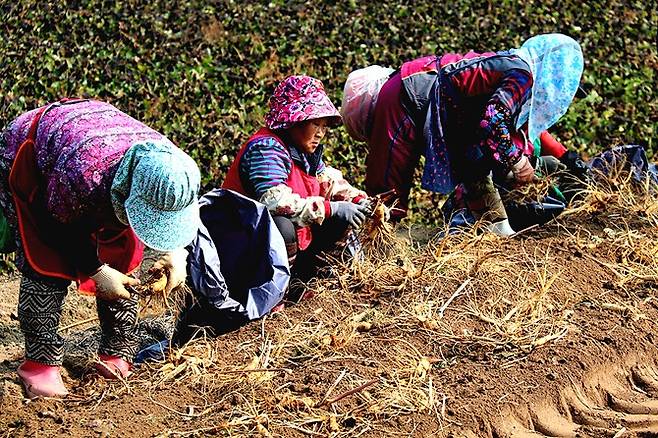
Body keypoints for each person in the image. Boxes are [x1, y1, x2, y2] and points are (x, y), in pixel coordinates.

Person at [0, 99, 201, 397]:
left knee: (124, 260)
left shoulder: (173, 169)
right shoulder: (82, 175)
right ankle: (39, 364)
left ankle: (116, 352)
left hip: (98, 155)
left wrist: (178, 252)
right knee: (46, 264)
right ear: (128, 195)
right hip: (33, 153)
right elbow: (56, 226)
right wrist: (96, 270)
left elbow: (180, 212)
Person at [341, 33, 584, 235]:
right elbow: (493, 120)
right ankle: (378, 242)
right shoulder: (521, 74)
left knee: (477, 167)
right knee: (389, 185)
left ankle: (497, 230)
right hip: (405, 96)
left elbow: (490, 130)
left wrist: (516, 160)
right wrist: (517, 161)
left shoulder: (517, 72)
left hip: (451, 116)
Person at [222, 75, 369, 298]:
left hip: (282, 244)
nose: (320, 133)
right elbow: (275, 203)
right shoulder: (266, 149)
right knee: (282, 225)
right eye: (314, 124)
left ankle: (307, 285)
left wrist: (357, 199)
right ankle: (274, 295)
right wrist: (330, 209)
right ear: (294, 121)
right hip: (241, 245)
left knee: (340, 218)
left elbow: (328, 180)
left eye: (324, 126)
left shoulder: (304, 151)